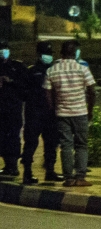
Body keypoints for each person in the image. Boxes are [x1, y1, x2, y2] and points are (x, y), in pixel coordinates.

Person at [43, 40, 95, 187]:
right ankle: (80, 177)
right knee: (81, 145)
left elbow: (47, 92)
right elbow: (92, 90)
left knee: (66, 145)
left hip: (61, 113)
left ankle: (68, 178)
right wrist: (90, 109)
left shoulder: (52, 70)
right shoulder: (82, 69)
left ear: (61, 53)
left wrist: (52, 108)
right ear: (75, 53)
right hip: (80, 112)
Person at [20, 41, 61, 184]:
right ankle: (27, 172)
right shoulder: (31, 71)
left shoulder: (55, 70)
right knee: (31, 142)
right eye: (46, 53)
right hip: (35, 113)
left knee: (52, 142)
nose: (48, 56)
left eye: (50, 54)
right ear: (38, 54)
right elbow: (23, 92)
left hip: (51, 113)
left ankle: (50, 171)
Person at [0, 39, 25, 178]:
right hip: (1, 110)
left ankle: (13, 166)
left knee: (13, 137)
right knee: (2, 138)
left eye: (4, 48)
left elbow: (25, 86)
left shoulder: (17, 67)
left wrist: (11, 81)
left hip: (13, 109)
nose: (2, 51)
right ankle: (7, 165)